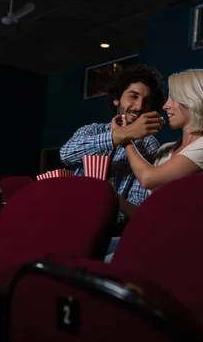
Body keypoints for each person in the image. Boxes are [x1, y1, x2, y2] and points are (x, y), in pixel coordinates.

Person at [105, 69, 203, 262]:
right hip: (155, 239)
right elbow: (147, 213)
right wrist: (110, 194)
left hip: (186, 246)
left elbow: (149, 178)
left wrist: (125, 138)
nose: (165, 106)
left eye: (173, 99)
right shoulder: (165, 149)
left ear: (193, 100)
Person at [60, 64, 166, 231]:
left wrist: (103, 198)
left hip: (110, 230)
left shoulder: (149, 144)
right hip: (68, 218)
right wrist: (120, 135)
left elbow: (136, 206)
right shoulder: (91, 130)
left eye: (146, 101)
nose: (139, 106)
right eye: (133, 96)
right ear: (117, 98)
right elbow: (66, 154)